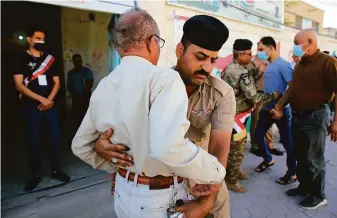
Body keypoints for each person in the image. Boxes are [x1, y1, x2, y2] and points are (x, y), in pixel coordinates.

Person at [71, 10, 228, 218]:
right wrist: (216, 172)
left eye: (213, 60)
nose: (207, 67)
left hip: (123, 193)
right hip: (158, 200)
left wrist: (115, 166)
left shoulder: (104, 85)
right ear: (152, 42)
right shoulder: (165, 79)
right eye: (200, 57)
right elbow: (167, 146)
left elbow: (80, 146)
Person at [271, 28, 337, 209]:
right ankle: (304, 187)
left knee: (314, 158)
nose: (295, 47)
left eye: (297, 43)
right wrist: (280, 106)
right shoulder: (301, 63)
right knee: (300, 154)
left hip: (315, 117)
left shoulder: (328, 62)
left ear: (309, 42)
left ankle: (318, 195)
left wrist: (336, 121)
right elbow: (292, 89)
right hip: (298, 116)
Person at [13, 27, 70, 192]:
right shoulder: (21, 58)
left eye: (43, 38)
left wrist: (49, 100)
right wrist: (41, 100)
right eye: (37, 38)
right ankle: (35, 174)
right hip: (31, 107)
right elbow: (18, 85)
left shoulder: (50, 59)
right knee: (33, 141)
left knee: (54, 138)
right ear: (30, 39)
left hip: (50, 106)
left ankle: (56, 170)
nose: (41, 41)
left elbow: (57, 82)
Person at [223, 39, 280, 193]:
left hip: (231, 114)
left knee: (233, 148)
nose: (251, 56)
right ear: (240, 54)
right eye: (249, 54)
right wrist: (273, 96)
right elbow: (254, 97)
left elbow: (243, 80)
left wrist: (257, 71)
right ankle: (231, 180)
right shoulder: (241, 72)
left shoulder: (232, 67)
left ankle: (232, 172)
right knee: (237, 150)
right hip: (237, 118)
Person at [254, 37, 297, 186]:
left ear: (271, 48)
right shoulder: (268, 64)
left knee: (287, 143)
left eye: (261, 49)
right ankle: (268, 159)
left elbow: (292, 88)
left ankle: (292, 173)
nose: (259, 52)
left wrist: (279, 106)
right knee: (258, 135)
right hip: (267, 109)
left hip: (281, 111)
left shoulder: (283, 65)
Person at [248, 57, 284, 157]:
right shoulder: (253, 63)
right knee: (256, 121)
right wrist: (259, 70)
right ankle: (255, 145)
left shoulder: (272, 63)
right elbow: (250, 79)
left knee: (268, 122)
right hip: (258, 95)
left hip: (270, 95)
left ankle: (269, 145)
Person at [67, 54, 94, 128]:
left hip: (85, 97)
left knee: (86, 115)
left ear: (81, 61)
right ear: (73, 62)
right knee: (76, 116)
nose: (78, 62)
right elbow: (69, 85)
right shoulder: (70, 73)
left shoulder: (87, 71)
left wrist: (82, 94)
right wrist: (76, 94)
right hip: (75, 97)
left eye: (79, 60)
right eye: (76, 61)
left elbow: (90, 84)